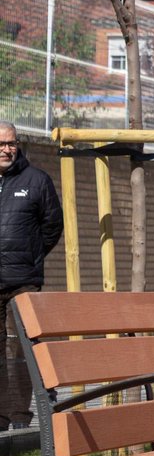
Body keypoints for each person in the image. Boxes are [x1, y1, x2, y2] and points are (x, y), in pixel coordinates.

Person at [0, 123, 63, 431]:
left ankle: (20, 419)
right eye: (1, 144)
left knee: (22, 349)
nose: (6, 149)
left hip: (23, 279)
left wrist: (30, 254)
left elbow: (52, 226)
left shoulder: (37, 181)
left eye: (11, 143)